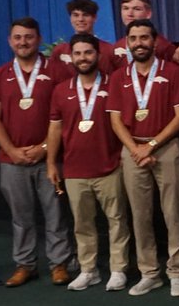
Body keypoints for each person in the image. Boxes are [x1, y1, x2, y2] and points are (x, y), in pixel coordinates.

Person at [0, 17, 74, 287]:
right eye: (18, 37)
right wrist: (11, 150)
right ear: (10, 41)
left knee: (55, 213)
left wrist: (44, 148)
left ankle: (59, 263)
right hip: (11, 160)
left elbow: (67, 114)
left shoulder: (58, 71)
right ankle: (25, 264)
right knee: (20, 217)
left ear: (38, 39)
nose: (23, 42)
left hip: (49, 157)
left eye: (29, 37)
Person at [108, 19, 179, 297]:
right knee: (140, 214)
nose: (139, 43)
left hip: (165, 148)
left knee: (173, 213)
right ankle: (149, 272)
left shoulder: (173, 72)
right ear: (127, 43)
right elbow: (116, 120)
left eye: (145, 37)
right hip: (133, 149)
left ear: (155, 42)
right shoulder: (119, 77)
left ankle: (177, 271)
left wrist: (152, 145)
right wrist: (135, 148)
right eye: (134, 38)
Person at [46, 33, 131, 292]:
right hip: (74, 170)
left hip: (109, 166)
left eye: (88, 53)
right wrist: (51, 162)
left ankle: (118, 269)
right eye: (78, 54)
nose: (83, 58)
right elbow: (54, 129)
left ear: (98, 55)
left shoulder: (113, 84)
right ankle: (88, 270)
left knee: (117, 221)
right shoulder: (61, 90)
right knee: (82, 224)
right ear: (71, 57)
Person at [50, 0, 118, 73]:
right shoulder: (59, 51)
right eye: (76, 15)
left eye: (85, 15)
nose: (80, 19)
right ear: (70, 18)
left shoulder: (109, 50)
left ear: (94, 18)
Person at [113, 0, 177, 66]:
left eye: (137, 9)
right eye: (125, 8)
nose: (130, 14)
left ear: (148, 14)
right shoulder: (117, 46)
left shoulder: (164, 47)